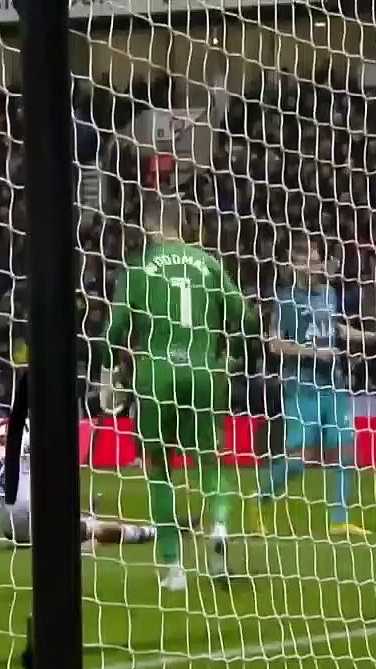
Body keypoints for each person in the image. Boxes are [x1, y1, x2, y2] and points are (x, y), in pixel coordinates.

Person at [98, 199, 260, 591]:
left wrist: (109, 368)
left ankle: (174, 570)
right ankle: (218, 528)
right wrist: (239, 356)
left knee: (159, 469)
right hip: (206, 373)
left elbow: (116, 326)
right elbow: (247, 317)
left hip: (157, 373)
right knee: (212, 464)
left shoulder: (138, 266)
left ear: (150, 225)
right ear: (181, 226)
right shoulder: (209, 264)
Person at [253, 236, 376, 538]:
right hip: (302, 387)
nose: (315, 265)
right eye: (309, 259)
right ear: (297, 265)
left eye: (316, 258)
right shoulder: (284, 298)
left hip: (334, 387)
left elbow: (335, 328)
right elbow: (274, 344)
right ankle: (260, 500)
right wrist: (313, 352)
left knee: (344, 453)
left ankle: (339, 519)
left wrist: (368, 338)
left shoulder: (329, 294)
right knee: (300, 461)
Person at [0, 424, 159, 549]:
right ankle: (146, 533)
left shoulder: (1, 464)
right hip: (31, 523)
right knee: (93, 529)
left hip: (9, 529)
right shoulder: (38, 464)